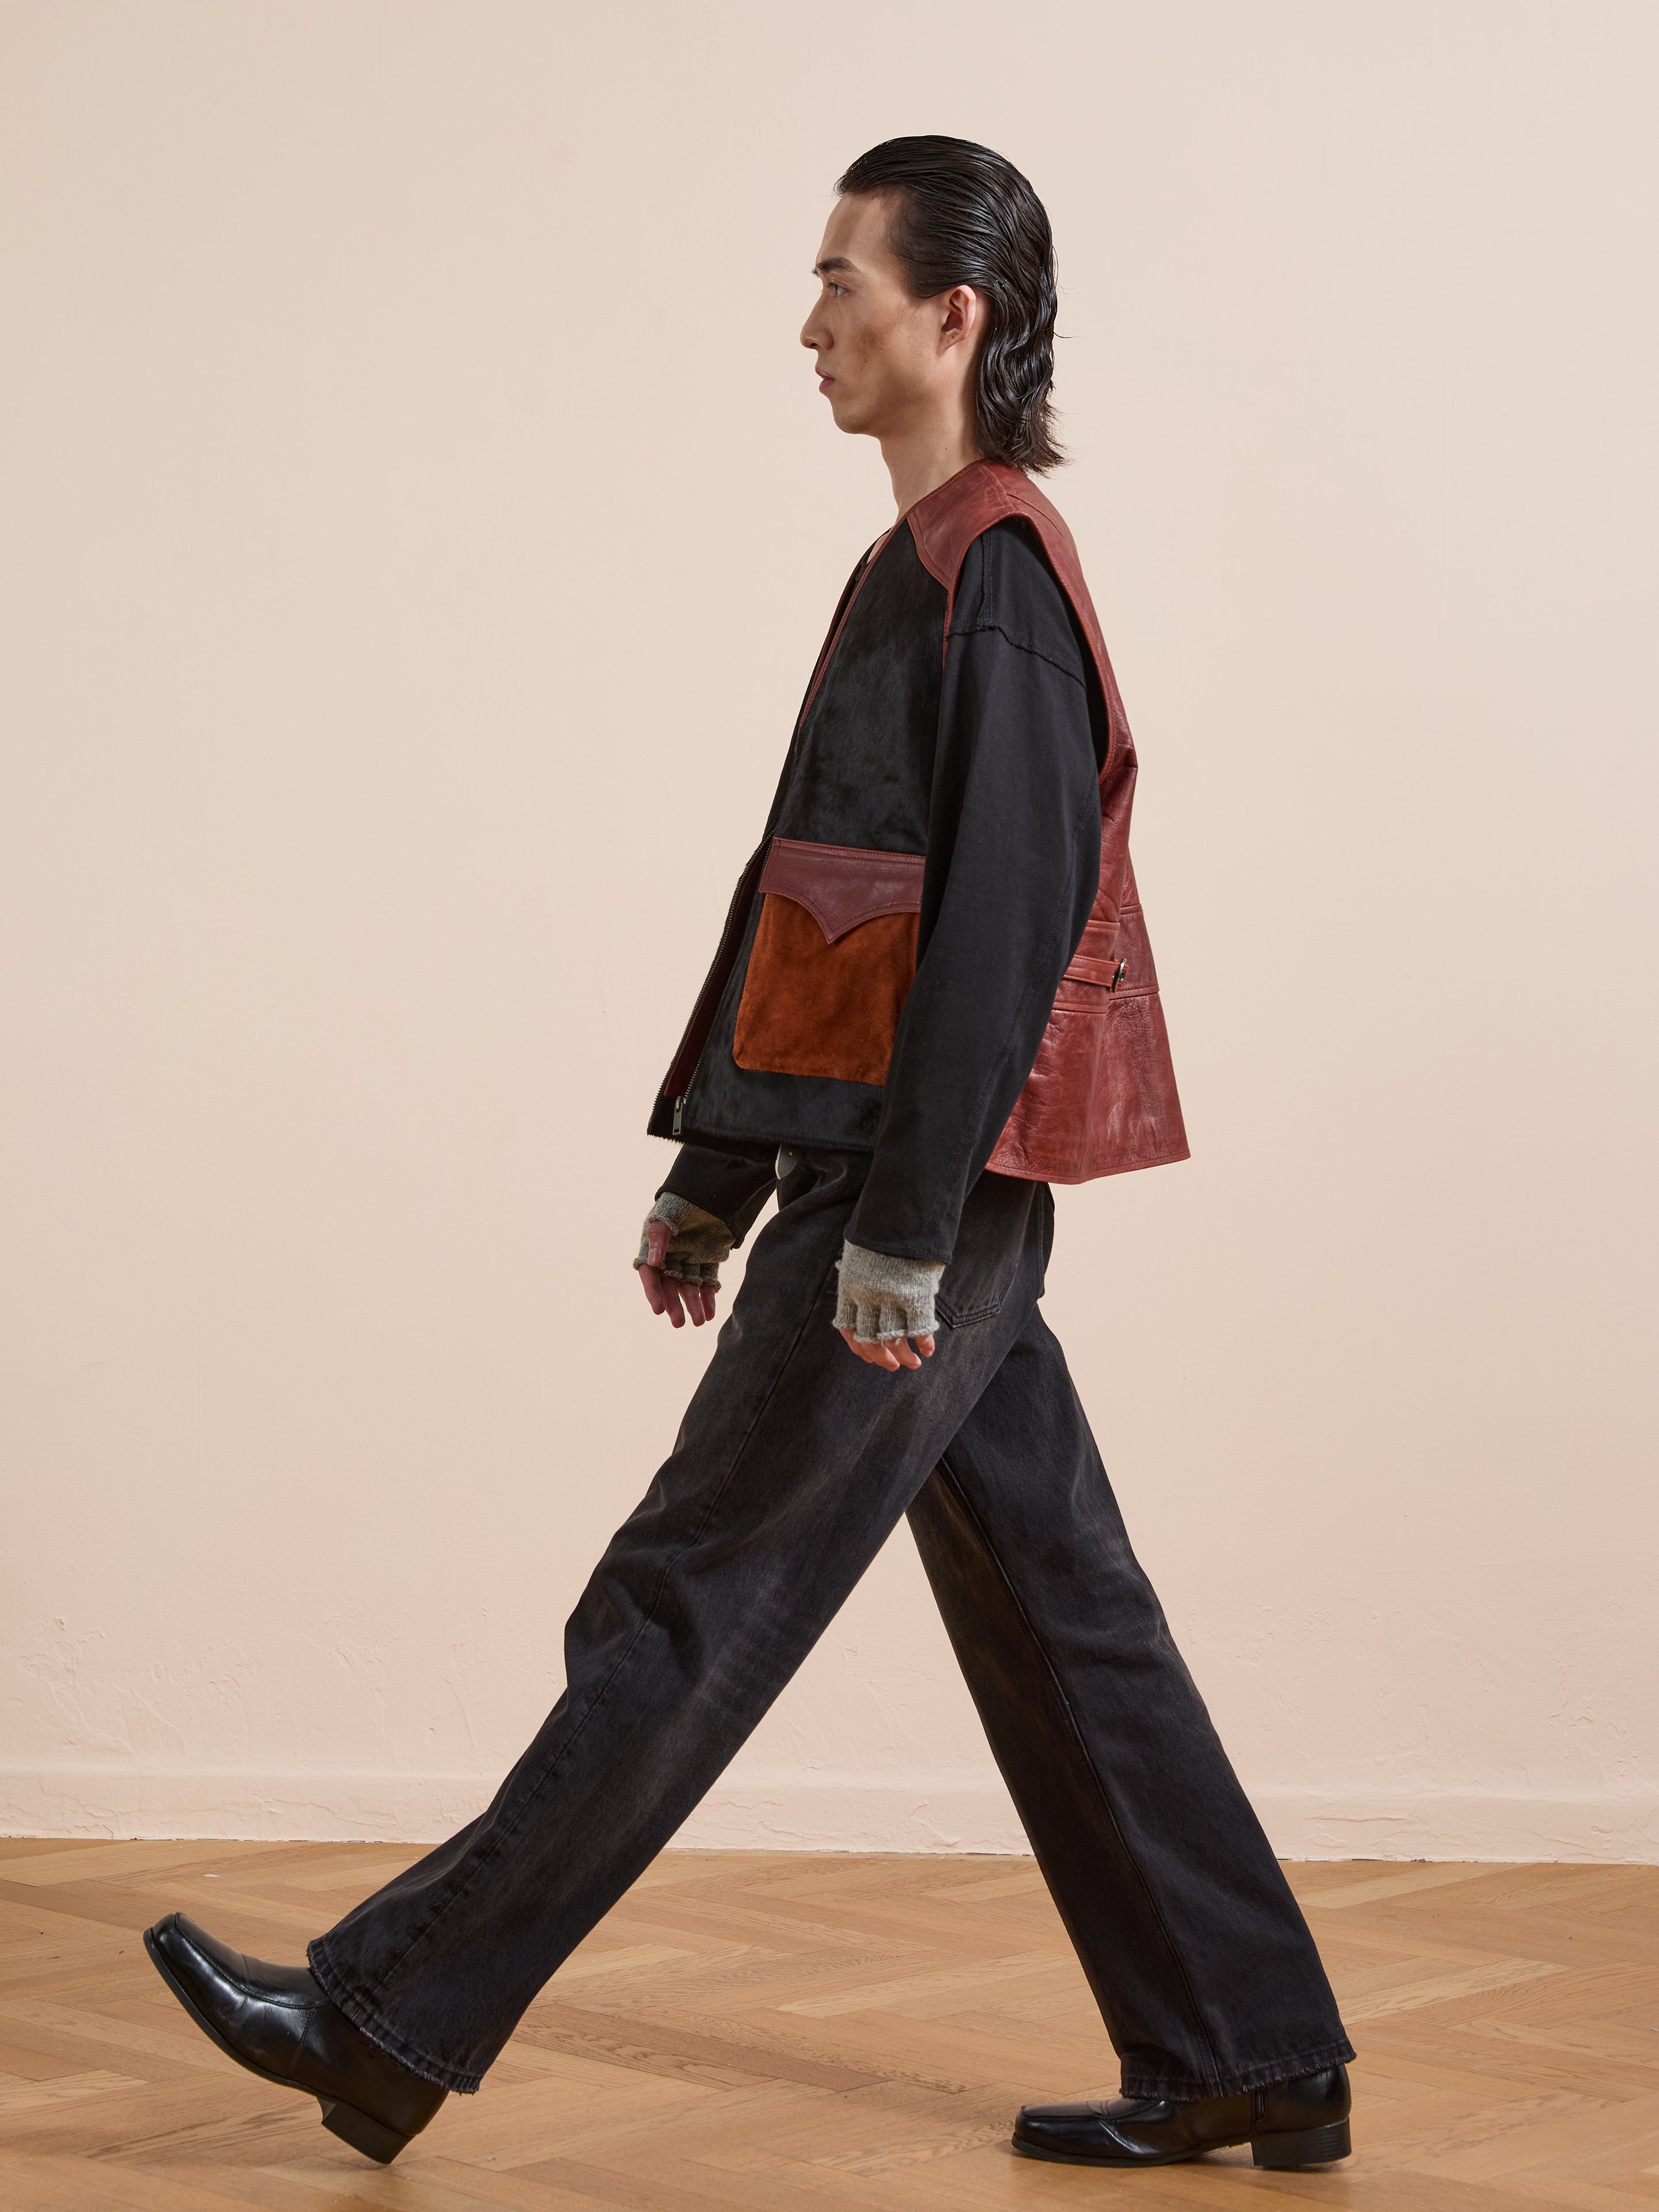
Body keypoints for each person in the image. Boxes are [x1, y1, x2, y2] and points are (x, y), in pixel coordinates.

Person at [143, 135, 1355, 2174]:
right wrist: (718, 1168)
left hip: (917, 1214)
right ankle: (1252, 2046)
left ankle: (384, 2015)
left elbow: (1001, 930)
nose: (809, 326)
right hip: (890, 1194)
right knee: (1069, 1616)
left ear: (950, 315)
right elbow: (823, 911)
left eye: (840, 284)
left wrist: (889, 1229)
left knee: (685, 1600)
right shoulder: (916, 568)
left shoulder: (1004, 574)